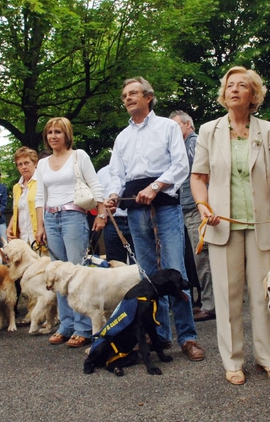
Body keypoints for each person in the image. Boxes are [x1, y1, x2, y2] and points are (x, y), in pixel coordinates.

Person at [190, 67, 270, 385]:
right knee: (227, 295)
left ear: (254, 95)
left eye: (242, 86)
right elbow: (198, 177)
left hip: (261, 223)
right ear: (224, 93)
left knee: (267, 296)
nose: (234, 89)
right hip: (222, 226)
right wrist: (203, 207)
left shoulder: (269, 131)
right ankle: (233, 360)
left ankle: (267, 357)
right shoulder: (209, 131)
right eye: (230, 85)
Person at [104, 77, 205, 363]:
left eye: (133, 93)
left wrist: (156, 186)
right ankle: (159, 335)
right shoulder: (122, 138)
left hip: (166, 205)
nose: (127, 98)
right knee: (147, 275)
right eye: (124, 95)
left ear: (149, 97)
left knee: (175, 272)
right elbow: (116, 173)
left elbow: (180, 165)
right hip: (135, 208)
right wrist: (113, 194)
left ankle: (188, 337)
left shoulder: (168, 127)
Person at [35, 117, 106, 348]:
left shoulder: (79, 156)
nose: (53, 136)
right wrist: (40, 226)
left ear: (67, 135)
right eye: (49, 132)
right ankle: (66, 326)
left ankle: (83, 327)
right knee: (56, 274)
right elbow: (39, 196)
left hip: (73, 216)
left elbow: (95, 184)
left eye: (58, 132)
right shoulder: (42, 163)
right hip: (50, 217)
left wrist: (102, 213)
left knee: (77, 274)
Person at [170, 110, 215, 322]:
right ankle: (206, 302)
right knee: (197, 259)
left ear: (189, 124)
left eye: (176, 125)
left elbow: (205, 176)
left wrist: (205, 204)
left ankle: (211, 305)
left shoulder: (194, 144)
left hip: (198, 208)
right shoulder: (180, 146)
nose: (173, 130)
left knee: (203, 257)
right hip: (186, 207)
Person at [96, 165, 134, 264]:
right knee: (114, 263)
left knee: (139, 263)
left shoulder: (135, 167)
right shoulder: (102, 172)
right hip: (112, 221)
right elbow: (98, 196)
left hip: (135, 217)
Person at [6, 147, 38, 245]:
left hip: (38, 236)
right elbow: (17, 211)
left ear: (35, 163)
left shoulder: (41, 182)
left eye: (27, 163)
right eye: (20, 164)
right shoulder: (16, 187)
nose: (23, 167)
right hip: (22, 238)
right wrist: (9, 228)